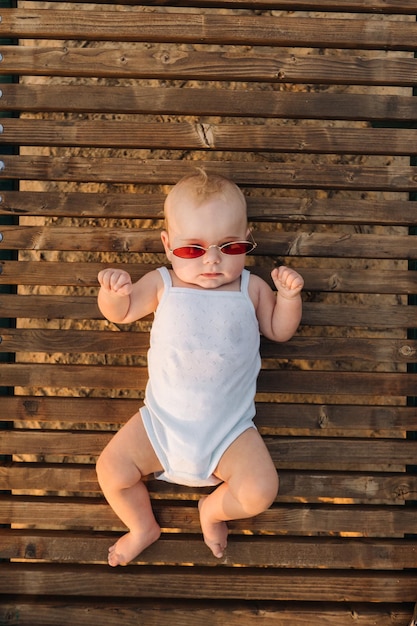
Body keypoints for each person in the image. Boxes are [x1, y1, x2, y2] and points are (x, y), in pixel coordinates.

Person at [96, 168, 304, 567]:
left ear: (246, 240)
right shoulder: (162, 284)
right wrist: (113, 294)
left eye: (229, 247)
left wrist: (289, 297)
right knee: (111, 469)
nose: (212, 260)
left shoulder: (251, 287)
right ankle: (142, 526)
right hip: (160, 424)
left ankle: (212, 509)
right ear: (167, 245)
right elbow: (122, 313)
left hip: (229, 432)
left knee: (260, 490)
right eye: (192, 250)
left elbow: (278, 330)